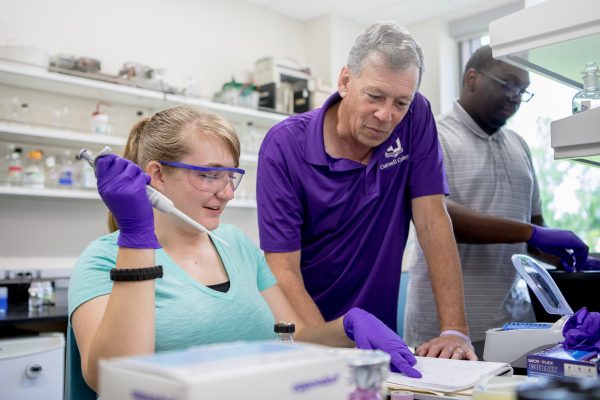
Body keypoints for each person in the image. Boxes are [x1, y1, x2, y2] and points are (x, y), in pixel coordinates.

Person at [68, 106, 423, 395]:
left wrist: (345, 328)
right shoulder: (103, 259)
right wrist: (137, 235)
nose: (227, 193)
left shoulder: (234, 243)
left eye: (230, 176)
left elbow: (293, 336)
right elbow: (108, 379)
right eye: (209, 176)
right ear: (157, 176)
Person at [256, 21, 476, 361]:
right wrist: (331, 348)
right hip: (306, 338)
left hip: (377, 340)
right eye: (374, 96)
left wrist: (455, 331)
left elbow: (433, 220)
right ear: (345, 81)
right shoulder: (285, 144)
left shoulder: (416, 116)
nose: (386, 115)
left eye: (400, 102)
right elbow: (282, 268)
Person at [404, 45, 600, 347]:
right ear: (472, 78)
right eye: (508, 85)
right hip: (444, 330)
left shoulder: (519, 145)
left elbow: (534, 229)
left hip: (514, 322)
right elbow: (438, 216)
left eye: (523, 90)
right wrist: (532, 233)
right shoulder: (434, 136)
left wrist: (574, 260)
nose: (516, 96)